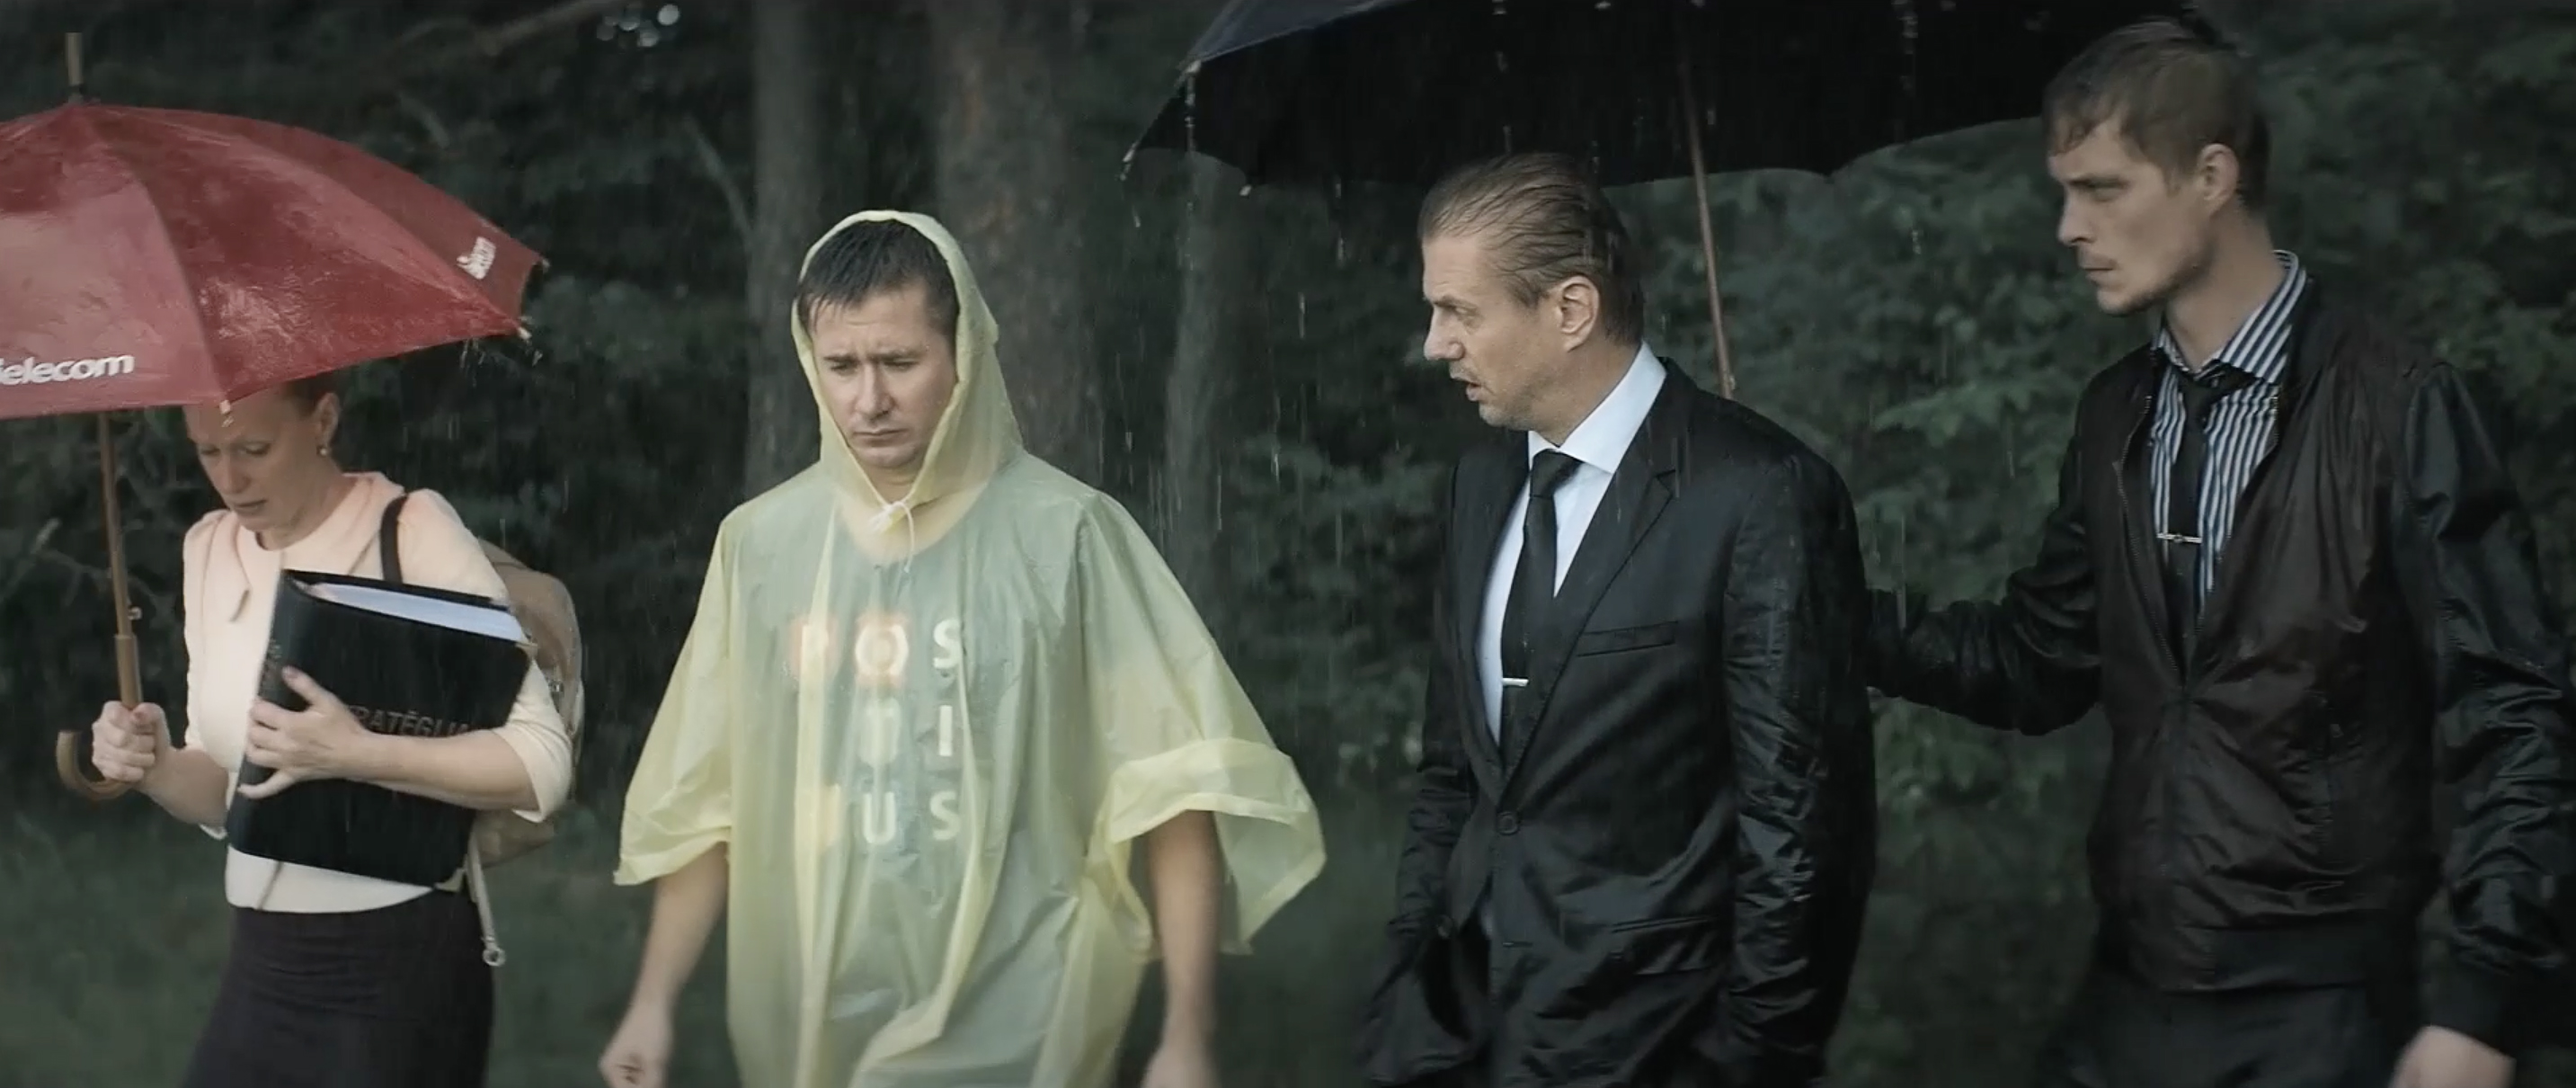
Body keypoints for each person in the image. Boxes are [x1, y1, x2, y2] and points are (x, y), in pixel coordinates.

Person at [1865, 17, 2576, 1088]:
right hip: (2133, 991)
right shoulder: (2114, 415)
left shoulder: (2395, 406)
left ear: (2211, 176)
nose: (2069, 227)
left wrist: (2484, 1002)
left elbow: (2515, 708)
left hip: (2321, 1007)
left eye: (2102, 189)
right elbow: (2035, 660)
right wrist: (1828, 608)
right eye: (2065, 192)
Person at [594, 210, 1327, 1088]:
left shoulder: (1069, 537)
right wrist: (653, 1002)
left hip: (1022, 1007)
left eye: (900, 362)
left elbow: (1176, 787)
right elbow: (709, 795)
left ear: (965, 353)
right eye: (841, 366)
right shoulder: (762, 547)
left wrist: (1187, 1032)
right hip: (809, 1010)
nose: (869, 400)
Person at [1355, 152, 1879, 1088]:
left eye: (1460, 312)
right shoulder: (1478, 484)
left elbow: (1801, 829)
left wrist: (1748, 1057)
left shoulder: (1760, 493)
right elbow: (1452, 771)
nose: (1435, 344)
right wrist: (1404, 976)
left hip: (1657, 1043)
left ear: (1571, 309)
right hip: (1455, 1033)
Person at [84, 371, 575, 1088]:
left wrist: (356, 753)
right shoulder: (209, 548)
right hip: (263, 957)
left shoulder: (409, 529)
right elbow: (229, 791)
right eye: (207, 451)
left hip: (397, 959)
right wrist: (154, 765)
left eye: (254, 448)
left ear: (322, 421)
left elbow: (541, 763)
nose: (230, 478)